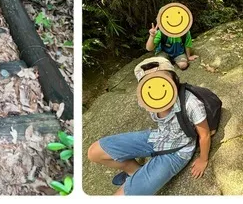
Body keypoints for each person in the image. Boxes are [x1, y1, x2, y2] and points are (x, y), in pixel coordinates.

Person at [87, 57, 211, 195]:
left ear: (174, 79)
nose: (157, 89)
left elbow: (204, 134)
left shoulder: (190, 103)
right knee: (94, 152)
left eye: (161, 81)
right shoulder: (148, 100)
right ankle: (134, 172)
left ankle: (137, 180)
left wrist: (203, 159)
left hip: (178, 151)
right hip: (158, 137)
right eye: (149, 84)